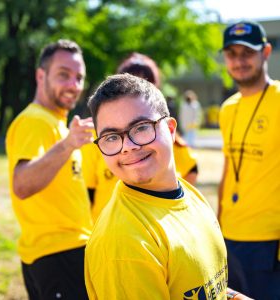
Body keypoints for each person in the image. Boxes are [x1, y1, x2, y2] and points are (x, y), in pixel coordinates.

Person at [84, 73, 251, 300]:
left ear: (171, 130)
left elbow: (206, 287)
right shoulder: (123, 245)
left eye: (141, 127)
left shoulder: (188, 194)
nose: (128, 147)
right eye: (112, 137)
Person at [5, 39, 94, 300]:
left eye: (79, 77)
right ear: (40, 75)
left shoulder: (58, 123)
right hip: (57, 256)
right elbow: (21, 185)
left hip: (65, 254)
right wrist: (67, 145)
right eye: (63, 75)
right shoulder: (35, 121)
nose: (73, 85)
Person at [81, 52, 198, 222]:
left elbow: (192, 169)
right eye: (129, 81)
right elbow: (87, 189)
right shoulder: (96, 137)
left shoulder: (163, 134)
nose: (129, 145)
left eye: (146, 82)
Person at [218, 20, 280, 299]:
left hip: (269, 241)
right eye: (232, 54)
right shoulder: (227, 108)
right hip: (230, 237)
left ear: (265, 52)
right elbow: (228, 169)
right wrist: (216, 227)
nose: (239, 61)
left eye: (247, 53)